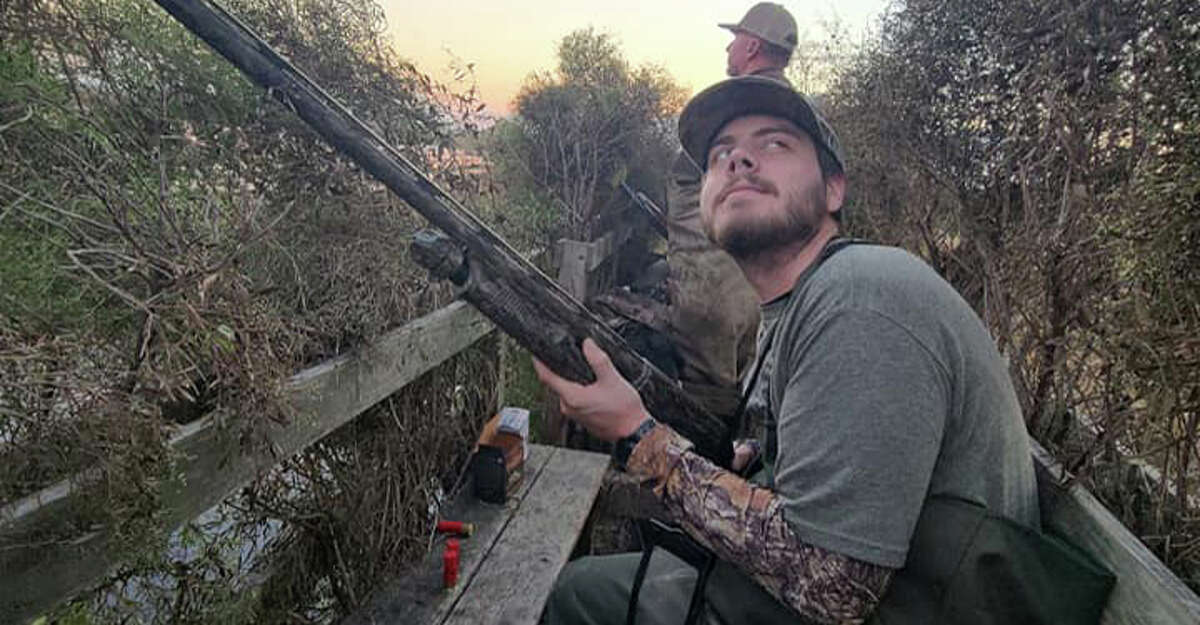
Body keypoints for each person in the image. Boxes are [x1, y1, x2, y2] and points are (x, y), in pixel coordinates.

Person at [536, 75, 1041, 624]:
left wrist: (639, 434)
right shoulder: (798, 305)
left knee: (572, 598)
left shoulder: (860, 297)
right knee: (584, 587)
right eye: (719, 156)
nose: (738, 161)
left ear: (833, 190)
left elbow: (835, 587)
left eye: (774, 144)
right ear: (702, 203)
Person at [663, 2, 799, 418]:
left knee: (707, 402)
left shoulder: (730, 111)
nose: (729, 50)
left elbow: (691, 175)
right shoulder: (797, 114)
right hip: (766, 293)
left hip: (712, 284)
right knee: (749, 387)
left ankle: (707, 474)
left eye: (735, 40)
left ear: (753, 47)